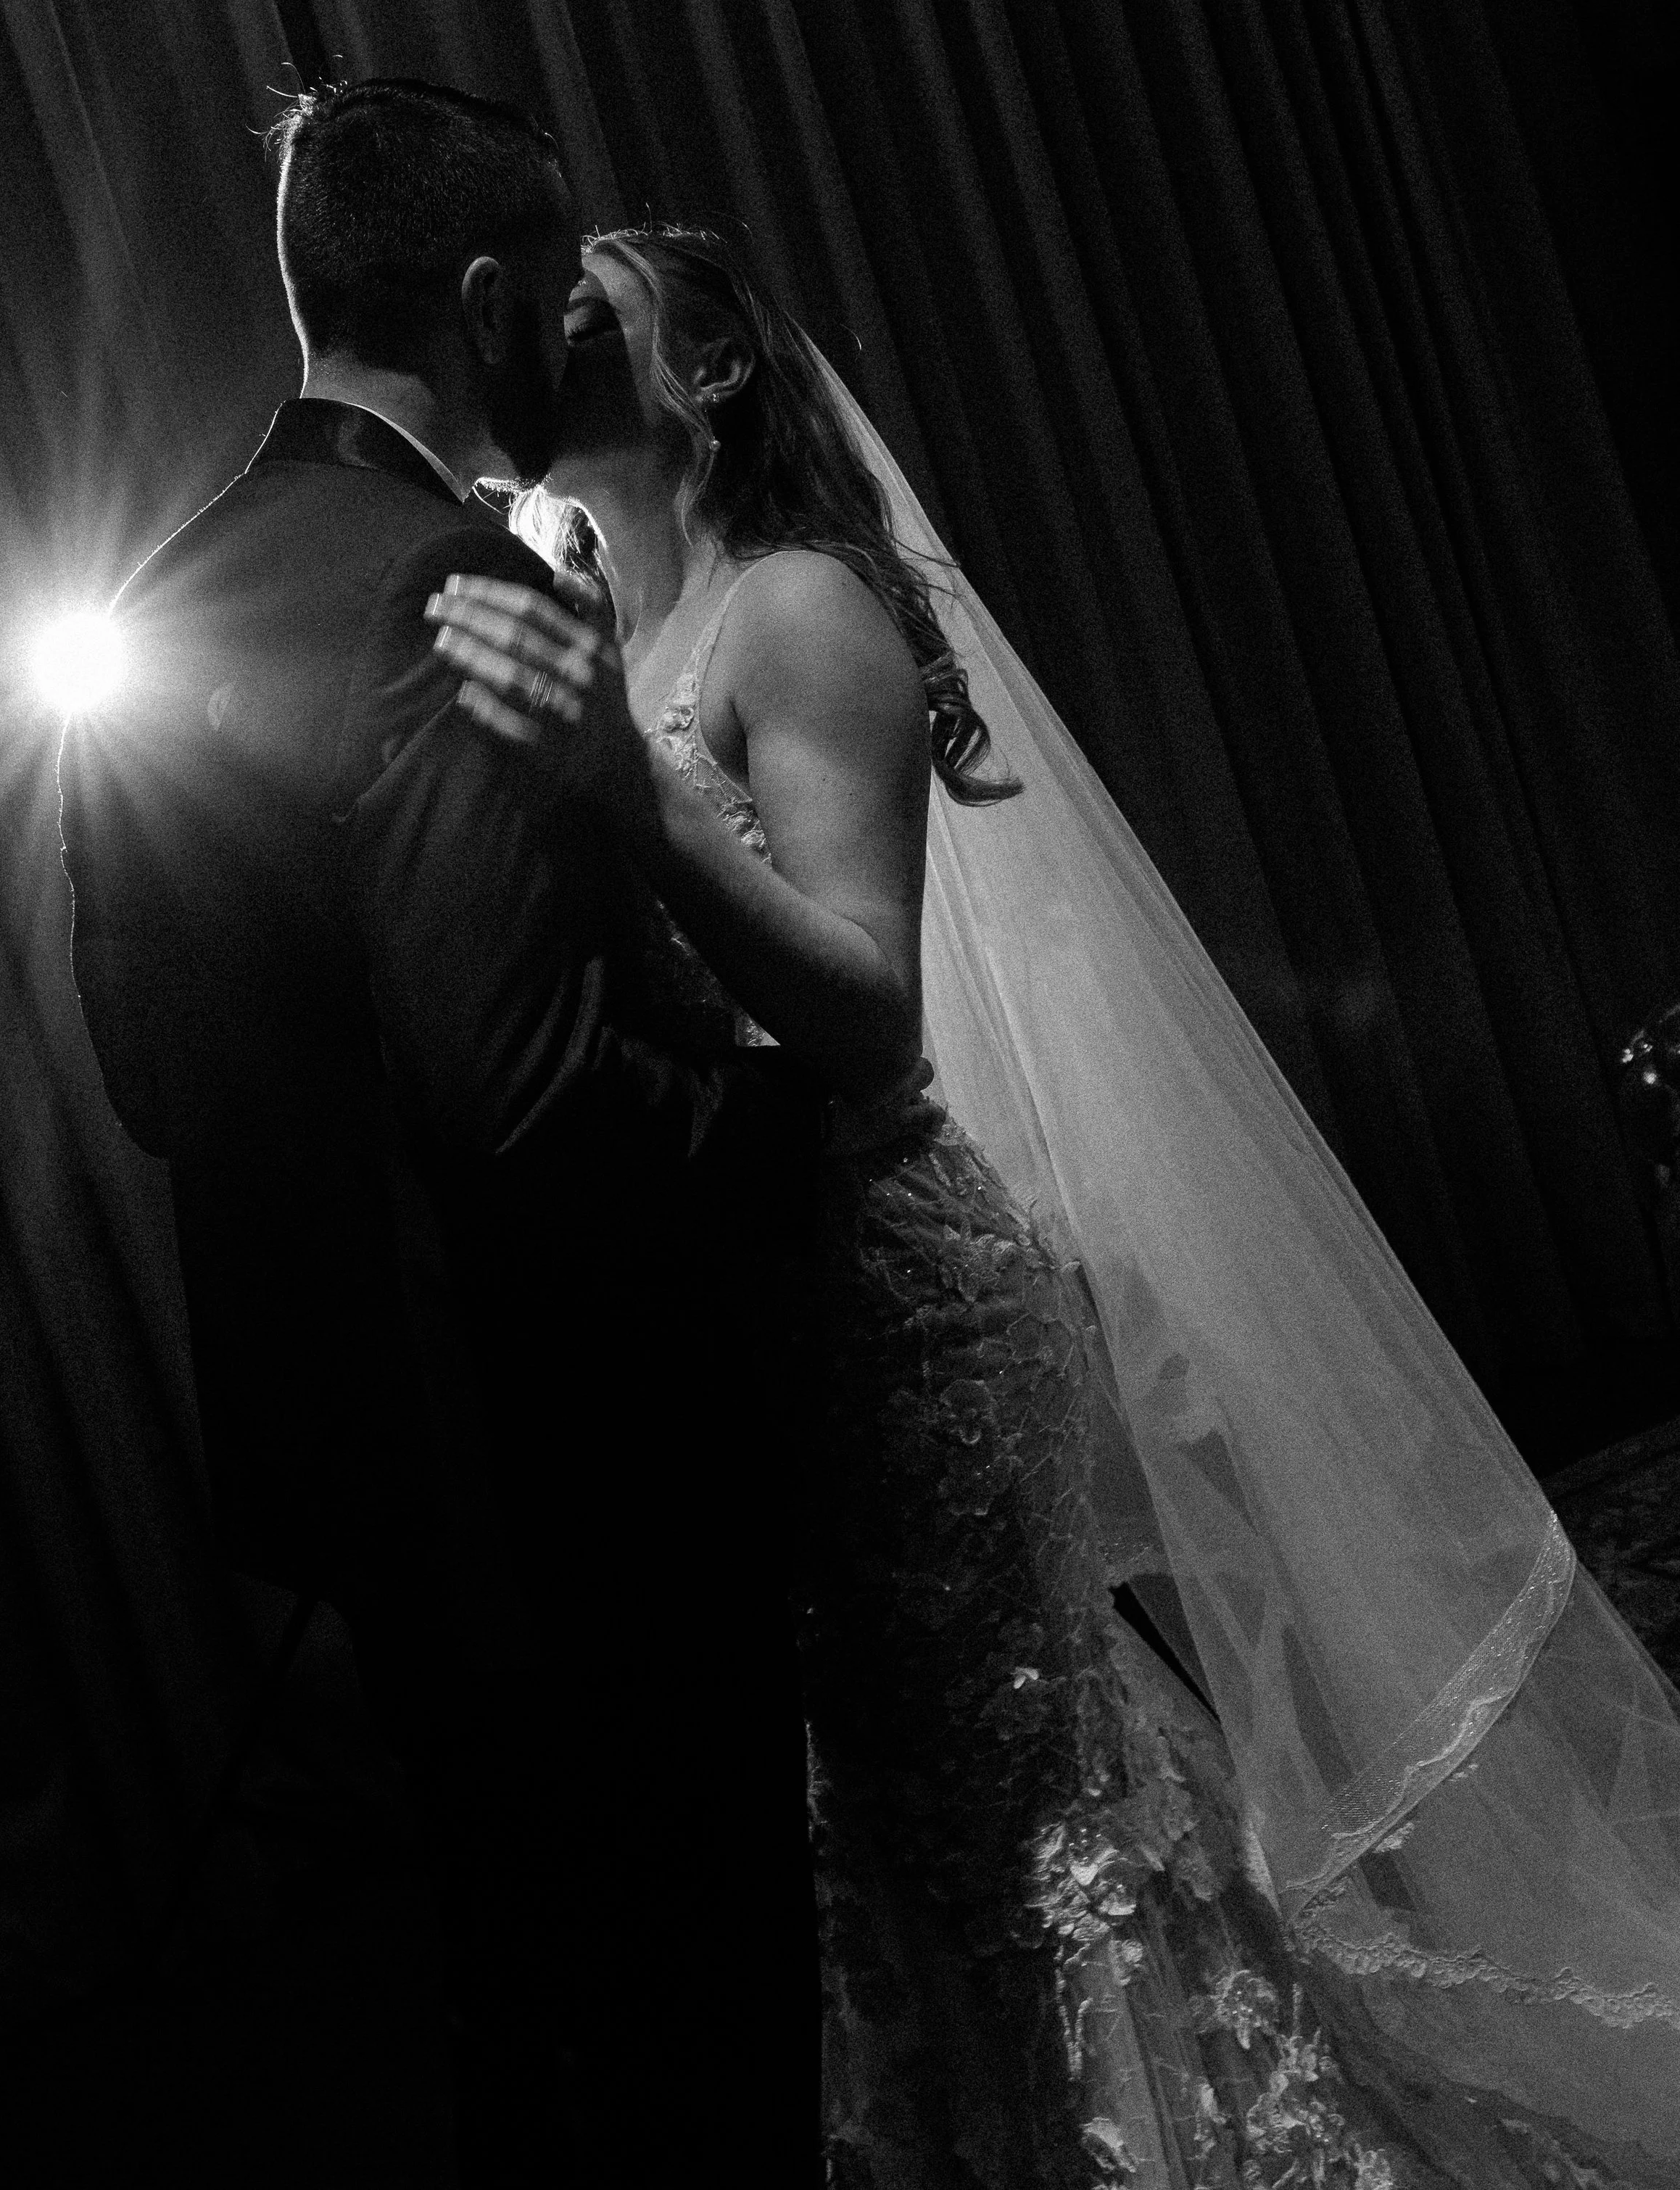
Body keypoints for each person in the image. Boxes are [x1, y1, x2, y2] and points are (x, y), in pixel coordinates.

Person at [427, 223, 1680, 2186]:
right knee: (877, 1851)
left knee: (1008, 1816)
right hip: (736, 1326)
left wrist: (637, 799)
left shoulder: (791, 611)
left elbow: (862, 1002)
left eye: (596, 294)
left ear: (717, 370)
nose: (543, 309)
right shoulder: (606, 626)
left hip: (884, 1303)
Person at [57, 95, 824, 2189]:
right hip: (558, 1471)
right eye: (542, 306)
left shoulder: (149, 605)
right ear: (483, 302)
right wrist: (777, 1124)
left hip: (363, 1473)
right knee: (700, 2037)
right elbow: (517, 1095)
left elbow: (145, 1066)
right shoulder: (445, 581)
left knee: (528, 2019)